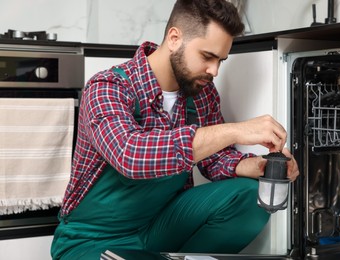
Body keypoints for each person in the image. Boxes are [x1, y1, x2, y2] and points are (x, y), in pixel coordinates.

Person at [51, 0, 299, 259]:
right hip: (93, 239)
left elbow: (214, 158)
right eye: (207, 56)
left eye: (220, 60)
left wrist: (257, 166)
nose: (214, 70)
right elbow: (131, 155)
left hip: (160, 226)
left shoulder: (201, 94)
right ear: (174, 38)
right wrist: (235, 130)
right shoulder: (107, 88)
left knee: (248, 197)